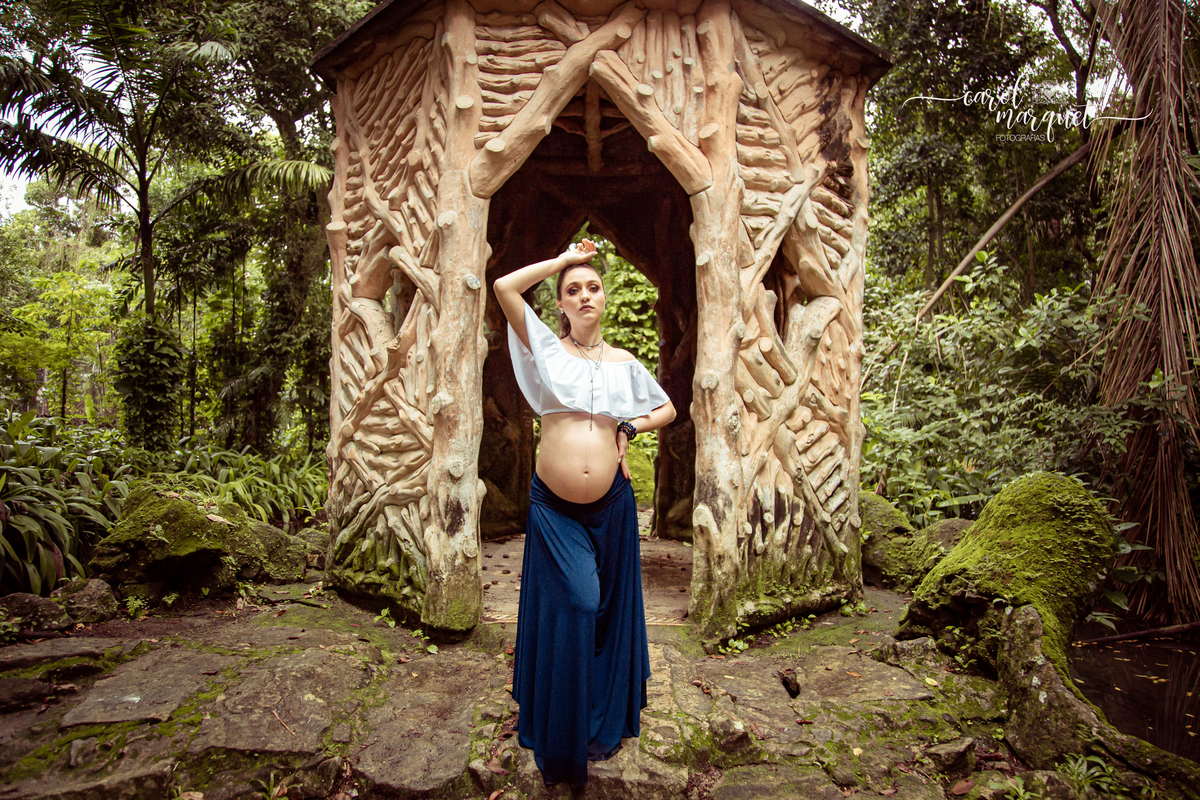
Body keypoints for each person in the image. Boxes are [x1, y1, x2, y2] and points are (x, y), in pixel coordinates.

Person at [493, 239, 676, 787]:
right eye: (572, 290)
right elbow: (504, 287)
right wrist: (562, 258)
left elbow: (666, 408)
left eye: (592, 286)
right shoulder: (545, 348)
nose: (584, 294)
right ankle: (563, 731)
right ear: (562, 305)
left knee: (607, 611)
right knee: (578, 600)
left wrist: (629, 427)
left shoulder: (623, 362)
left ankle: (602, 718)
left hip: (614, 505)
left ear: (605, 298)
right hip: (554, 508)